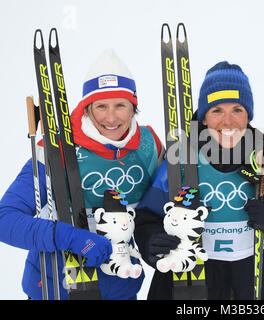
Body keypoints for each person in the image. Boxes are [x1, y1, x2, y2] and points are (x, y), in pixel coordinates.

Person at [0, 49, 163, 300]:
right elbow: (5, 219)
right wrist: (68, 237)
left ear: (133, 108)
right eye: (101, 106)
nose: (111, 117)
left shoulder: (149, 147)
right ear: (87, 109)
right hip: (56, 289)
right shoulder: (57, 149)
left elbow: (159, 211)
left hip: (122, 289)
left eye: (120, 105)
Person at [134, 61, 264, 300]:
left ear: (248, 115)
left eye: (237, 110)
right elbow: (146, 218)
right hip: (185, 287)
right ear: (203, 118)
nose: (228, 121)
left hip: (249, 285)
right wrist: (152, 242)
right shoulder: (180, 157)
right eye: (217, 111)